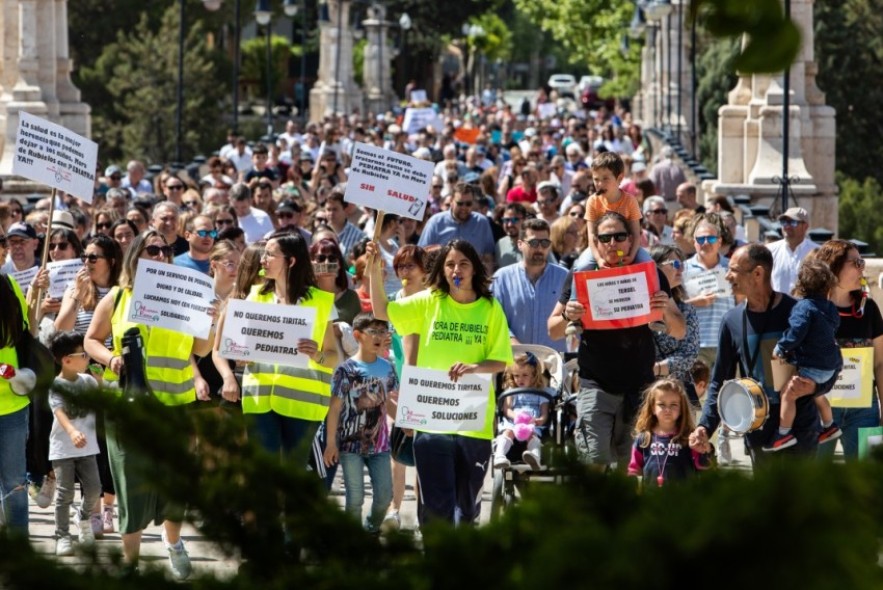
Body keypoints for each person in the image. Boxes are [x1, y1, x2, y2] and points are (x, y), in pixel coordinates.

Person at [84, 230, 216, 578]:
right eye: (152, 250)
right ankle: (131, 565)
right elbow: (91, 340)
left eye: (166, 250)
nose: (160, 256)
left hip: (177, 406)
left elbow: (200, 350)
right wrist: (111, 358)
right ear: (135, 257)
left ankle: (173, 542)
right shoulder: (117, 297)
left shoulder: (185, 296)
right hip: (128, 406)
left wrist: (212, 319)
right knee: (130, 483)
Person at [367, 239, 513, 525]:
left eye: (463, 263)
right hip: (432, 421)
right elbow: (382, 311)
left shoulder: (490, 308)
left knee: (467, 507)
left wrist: (475, 367)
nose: (456, 269)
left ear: (474, 269)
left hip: (474, 423)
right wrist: (374, 271)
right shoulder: (428, 301)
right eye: (449, 264)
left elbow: (502, 361)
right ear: (442, 270)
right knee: (437, 505)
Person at [547, 212, 685, 468]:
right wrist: (568, 315)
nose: (613, 243)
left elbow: (679, 330)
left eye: (619, 236)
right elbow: (553, 330)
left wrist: (664, 307)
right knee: (593, 462)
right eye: (605, 237)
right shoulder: (581, 277)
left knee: (631, 467)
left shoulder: (650, 275)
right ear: (595, 243)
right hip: (595, 384)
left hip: (639, 387)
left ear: (630, 240)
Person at [690, 243, 820, 464]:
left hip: (801, 429)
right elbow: (720, 379)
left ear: (758, 273)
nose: (728, 276)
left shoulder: (799, 312)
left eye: (733, 270)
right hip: (758, 430)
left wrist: (815, 386)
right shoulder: (731, 321)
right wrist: (705, 425)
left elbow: (827, 365)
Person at [215, 232, 338, 464]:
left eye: (270, 255)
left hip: (302, 405)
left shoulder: (320, 302)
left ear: (291, 261)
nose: (263, 260)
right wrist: (240, 357)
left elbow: (334, 358)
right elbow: (232, 348)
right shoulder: (254, 298)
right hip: (259, 400)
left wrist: (317, 354)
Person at [322, 313, 397, 533]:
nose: (379, 337)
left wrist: (405, 423)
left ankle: (371, 529)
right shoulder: (345, 370)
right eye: (373, 332)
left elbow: (389, 402)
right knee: (355, 499)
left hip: (380, 446)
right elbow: (334, 407)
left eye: (383, 332)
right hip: (349, 446)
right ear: (357, 335)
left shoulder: (388, 368)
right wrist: (331, 443)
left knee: (384, 497)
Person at [813, 241, 883, 460]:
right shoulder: (809, 309)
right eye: (856, 263)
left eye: (862, 262)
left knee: (867, 484)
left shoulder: (868, 308)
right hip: (820, 409)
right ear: (833, 267)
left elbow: (880, 363)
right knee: (812, 482)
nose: (862, 268)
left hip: (864, 410)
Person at [765, 259, 843, 451]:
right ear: (828, 286)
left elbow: (796, 331)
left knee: (788, 395)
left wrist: (781, 348)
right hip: (830, 366)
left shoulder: (804, 307)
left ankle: (783, 434)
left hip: (812, 367)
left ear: (802, 285)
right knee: (818, 394)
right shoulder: (831, 307)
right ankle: (830, 426)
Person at [47, 331, 102, 556]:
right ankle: (62, 535)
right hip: (63, 448)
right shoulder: (56, 386)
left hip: (88, 448)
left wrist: (100, 381)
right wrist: (71, 432)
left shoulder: (88, 381)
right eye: (83, 354)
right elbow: (58, 411)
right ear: (67, 360)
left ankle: (84, 518)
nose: (87, 357)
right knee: (64, 493)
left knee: (93, 489)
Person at [0, 225, 36, 535]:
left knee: (14, 484)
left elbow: (24, 335)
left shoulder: (10, 285)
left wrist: (35, 295)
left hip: (12, 403)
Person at [492, 218, 568, 352]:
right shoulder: (501, 278)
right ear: (520, 244)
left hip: (554, 364)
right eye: (533, 243)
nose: (539, 248)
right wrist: (520, 351)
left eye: (545, 243)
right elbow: (494, 320)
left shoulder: (564, 277)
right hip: (515, 364)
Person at [626, 378, 712, 485]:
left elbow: (703, 467)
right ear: (653, 408)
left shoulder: (689, 438)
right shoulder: (643, 439)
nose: (667, 410)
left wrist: (704, 452)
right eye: (662, 405)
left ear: (681, 409)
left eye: (674, 405)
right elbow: (634, 469)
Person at [649, 245, 701, 407]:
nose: (680, 270)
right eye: (675, 265)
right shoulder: (639, 306)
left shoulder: (686, 309)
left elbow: (689, 355)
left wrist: (656, 369)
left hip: (678, 392)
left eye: (682, 266)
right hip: (644, 391)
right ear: (655, 268)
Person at [683, 213, 735, 370]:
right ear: (694, 243)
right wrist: (695, 302)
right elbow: (675, 308)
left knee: (724, 393)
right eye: (700, 239)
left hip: (726, 342)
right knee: (697, 393)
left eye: (711, 239)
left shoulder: (732, 267)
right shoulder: (683, 269)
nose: (705, 243)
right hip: (695, 344)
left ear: (719, 242)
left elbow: (741, 304)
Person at [492, 352, 551, 470]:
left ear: (534, 375)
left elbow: (544, 413)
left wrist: (539, 420)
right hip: (514, 422)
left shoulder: (541, 392)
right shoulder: (511, 390)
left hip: (531, 423)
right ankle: (499, 456)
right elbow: (507, 409)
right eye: (516, 376)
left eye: (525, 375)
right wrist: (516, 416)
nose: (520, 379)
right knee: (508, 432)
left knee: (532, 434)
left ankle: (534, 456)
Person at [585, 153, 644, 267]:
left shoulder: (630, 201)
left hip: (626, 249)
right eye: (596, 179)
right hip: (600, 250)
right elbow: (591, 236)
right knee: (581, 267)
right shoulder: (592, 201)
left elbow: (636, 235)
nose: (600, 184)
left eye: (605, 179)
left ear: (619, 178)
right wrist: (598, 259)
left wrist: (631, 255)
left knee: (648, 262)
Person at [418, 183, 496, 270]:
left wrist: (487, 281)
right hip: (441, 279)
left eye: (468, 204)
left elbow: (488, 257)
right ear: (451, 201)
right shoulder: (435, 222)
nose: (464, 207)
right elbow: (422, 253)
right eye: (460, 203)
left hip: (473, 280)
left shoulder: (482, 222)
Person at [768, 207, 819, 294]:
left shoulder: (817, 252)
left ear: (805, 226)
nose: (787, 226)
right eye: (784, 222)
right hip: (779, 307)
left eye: (793, 222)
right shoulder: (770, 251)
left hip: (806, 307)